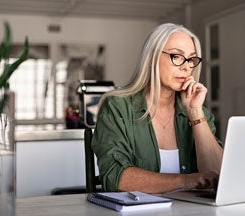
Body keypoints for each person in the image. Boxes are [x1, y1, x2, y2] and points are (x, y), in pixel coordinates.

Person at [92, 23, 223, 194]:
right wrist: (185, 180)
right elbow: (115, 177)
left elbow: (220, 176)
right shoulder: (118, 107)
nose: (187, 67)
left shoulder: (199, 112)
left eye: (191, 59)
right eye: (176, 56)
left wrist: (195, 114)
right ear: (152, 57)